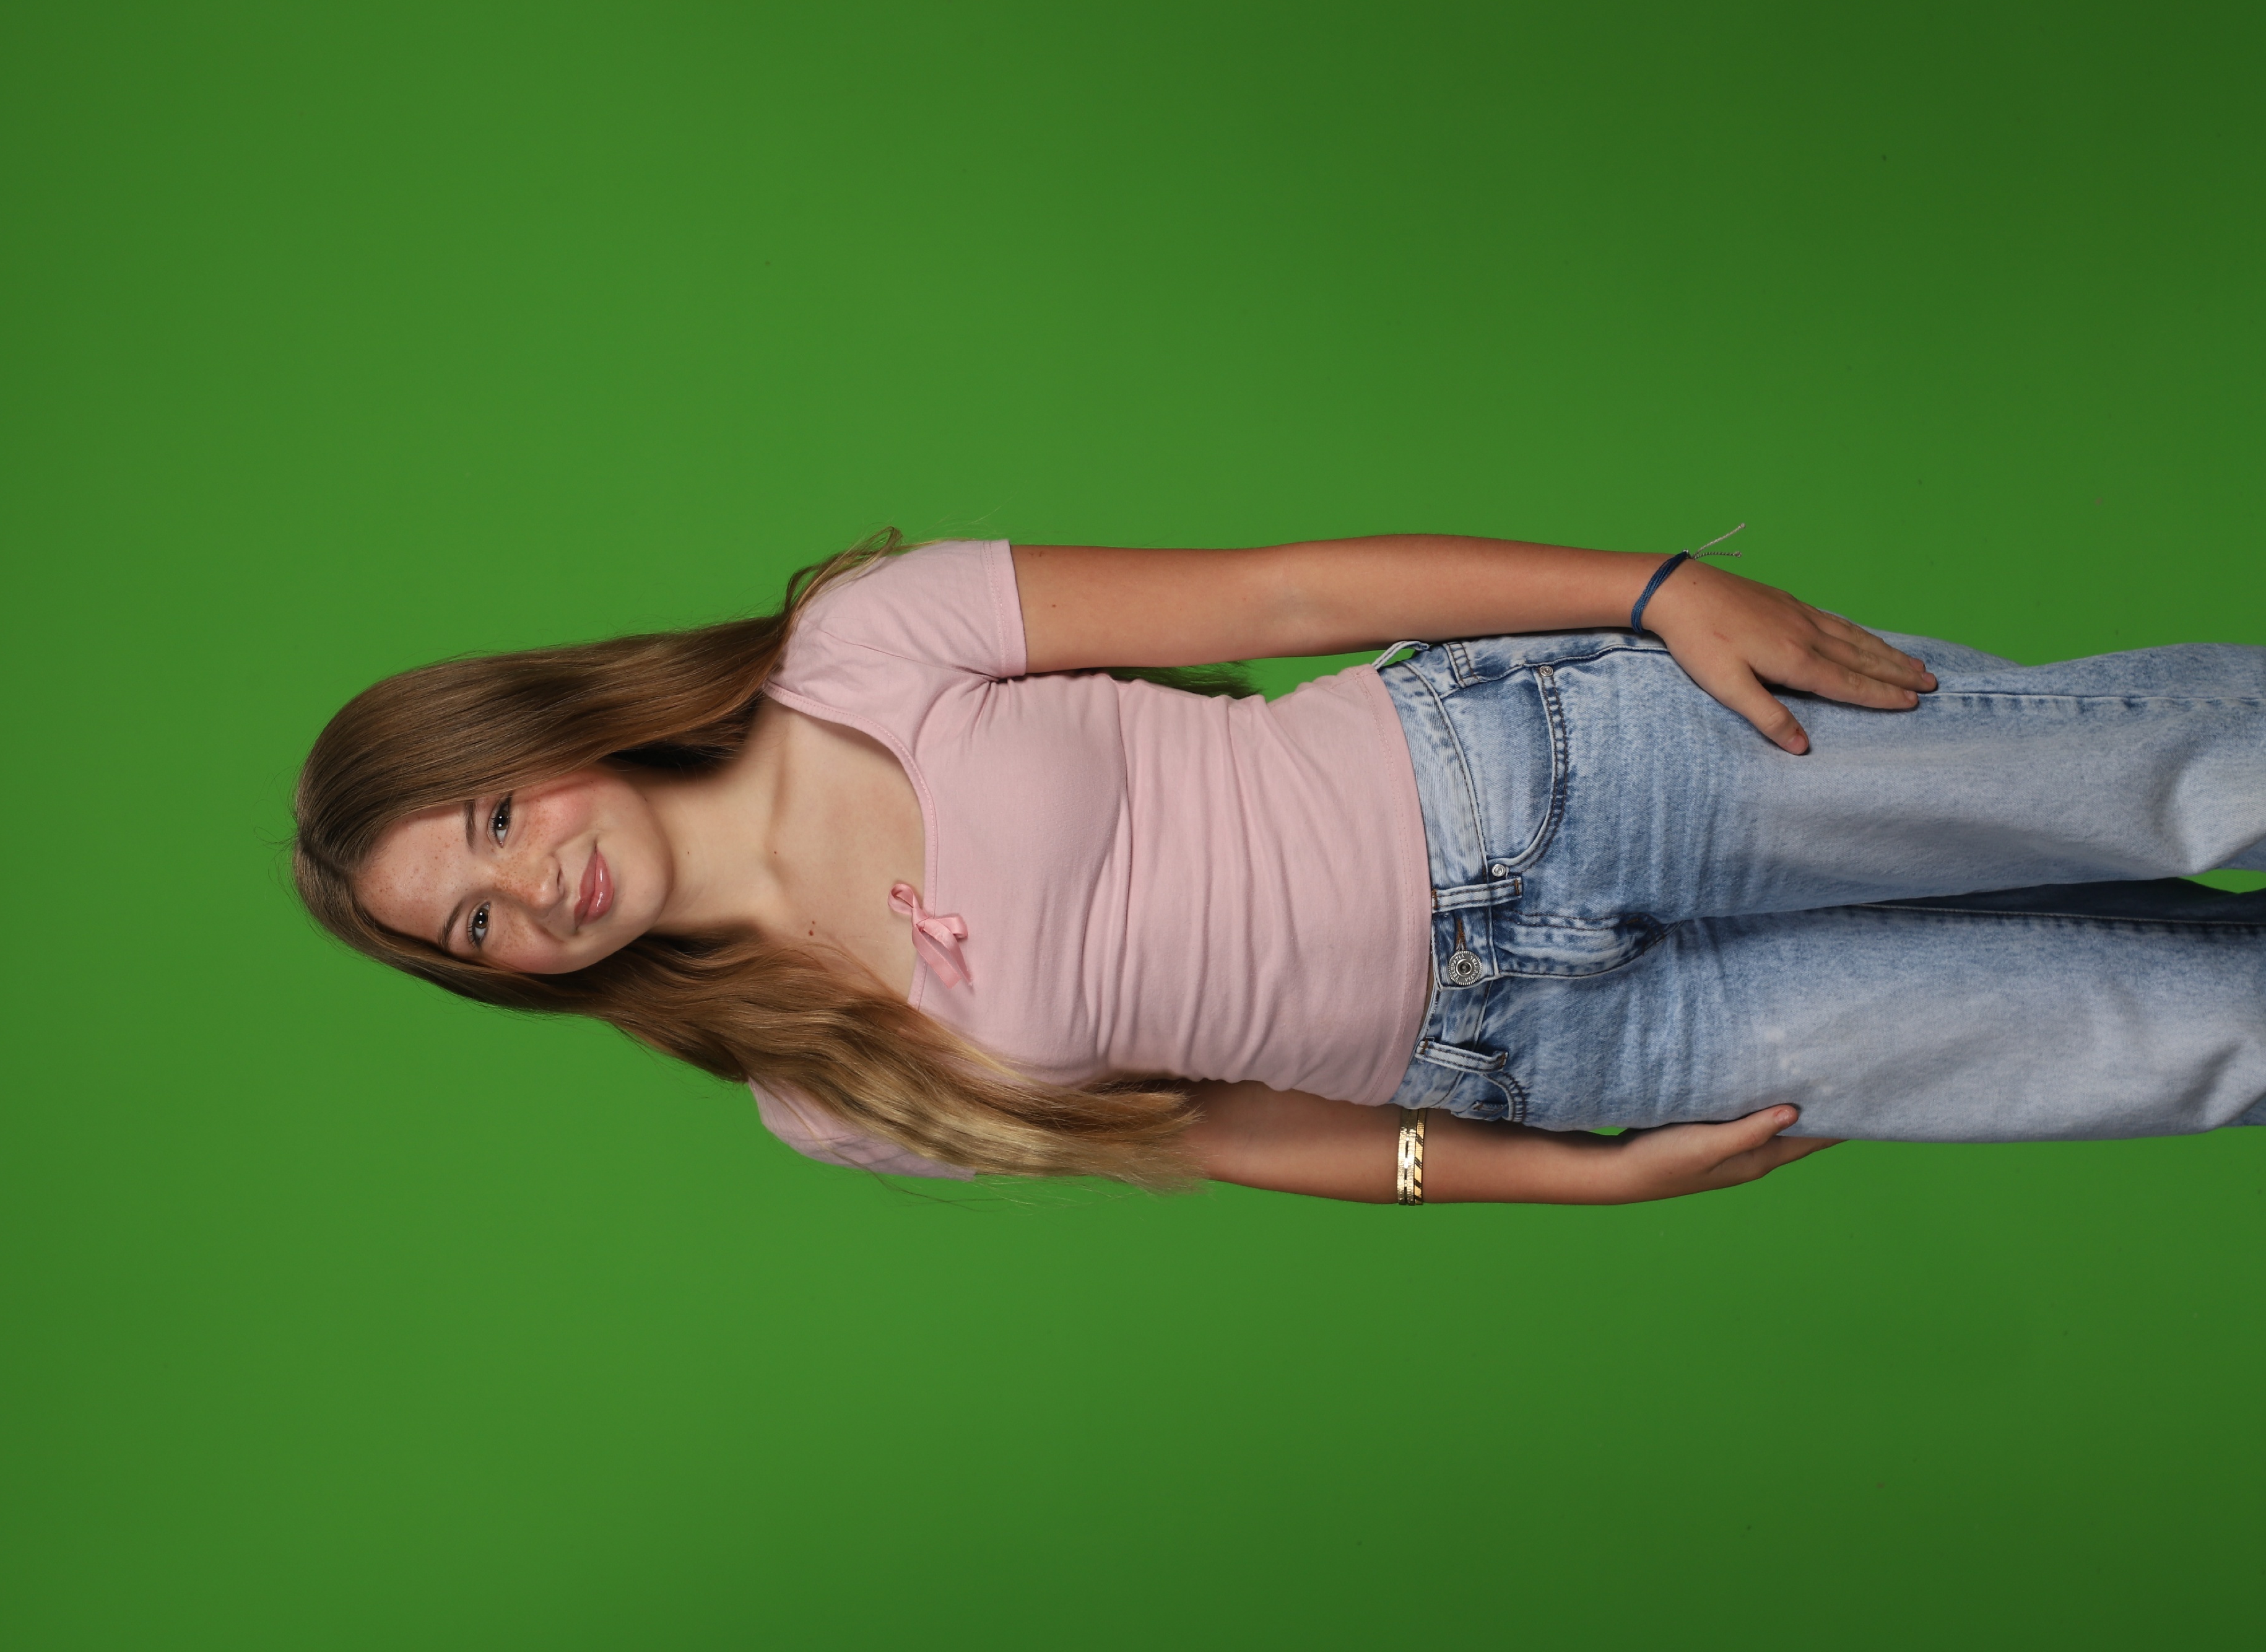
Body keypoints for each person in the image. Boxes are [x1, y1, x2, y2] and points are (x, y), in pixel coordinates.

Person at [292, 531, 2266, 1205]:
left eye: (493, 822)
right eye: (476, 924)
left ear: (541, 741)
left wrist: (1654, 588)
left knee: (2180, 779)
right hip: (1570, 1054)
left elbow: (1283, 594)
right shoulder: (826, 1096)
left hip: (1567, 776)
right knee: (2176, 1039)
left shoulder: (863, 642)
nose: (531, 890)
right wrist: (1573, 1181)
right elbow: (1222, 1132)